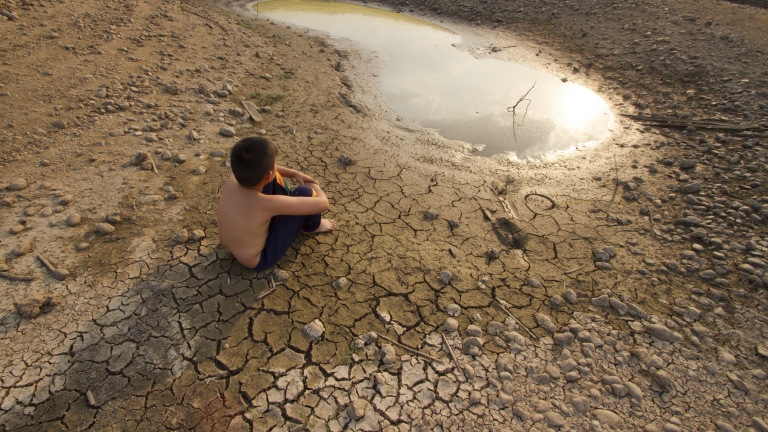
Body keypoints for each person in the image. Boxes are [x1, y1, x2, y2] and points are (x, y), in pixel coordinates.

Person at [217, 136, 336, 270]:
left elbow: (267, 170)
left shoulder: (233, 178)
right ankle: (312, 226)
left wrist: (294, 173)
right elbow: (323, 203)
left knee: (270, 178)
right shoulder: (267, 204)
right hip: (259, 259)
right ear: (268, 174)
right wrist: (314, 186)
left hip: (232, 246)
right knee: (305, 192)